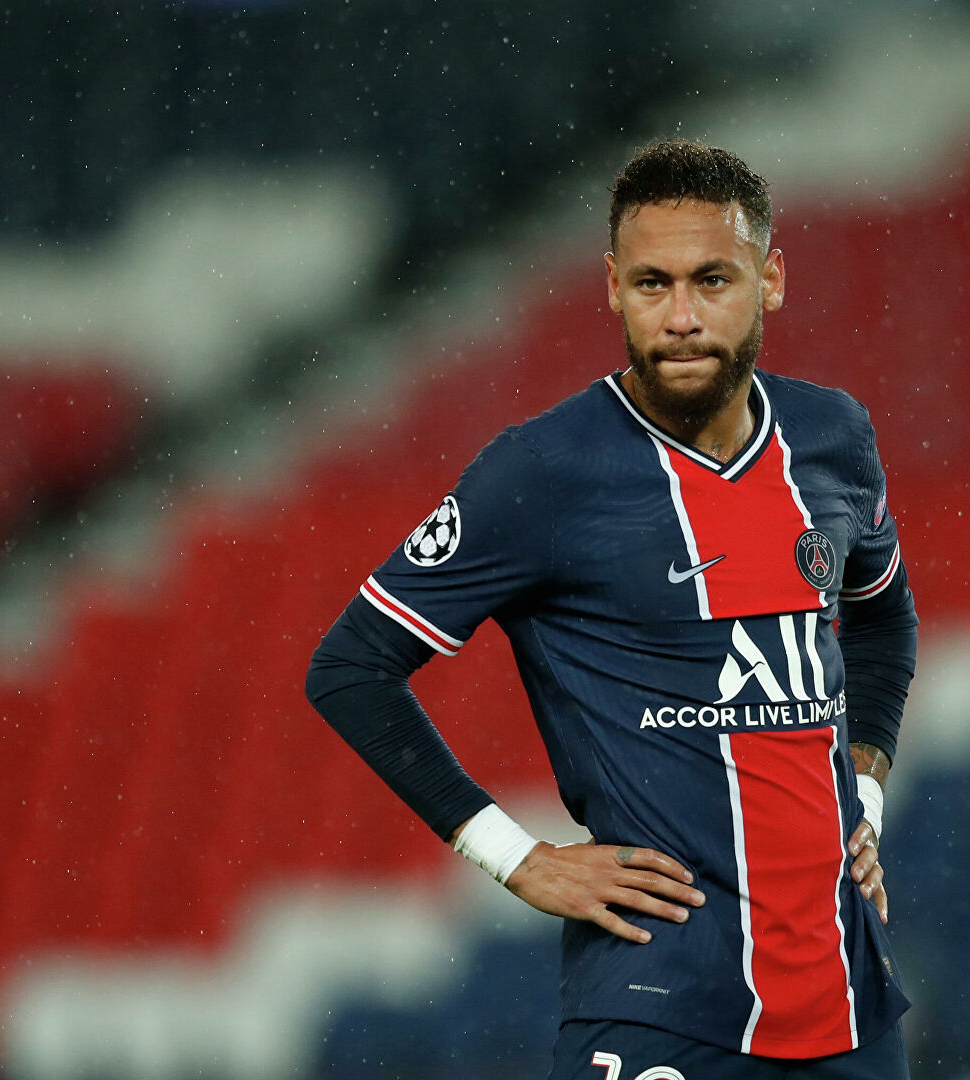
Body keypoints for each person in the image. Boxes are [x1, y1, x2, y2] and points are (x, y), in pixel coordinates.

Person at [304, 139, 919, 1079]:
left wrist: (863, 792)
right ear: (612, 288)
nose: (681, 317)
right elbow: (351, 667)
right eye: (651, 284)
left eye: (712, 280)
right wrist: (515, 858)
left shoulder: (832, 436)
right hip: (656, 1001)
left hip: (850, 1002)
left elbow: (883, 621)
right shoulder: (543, 470)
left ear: (771, 280)